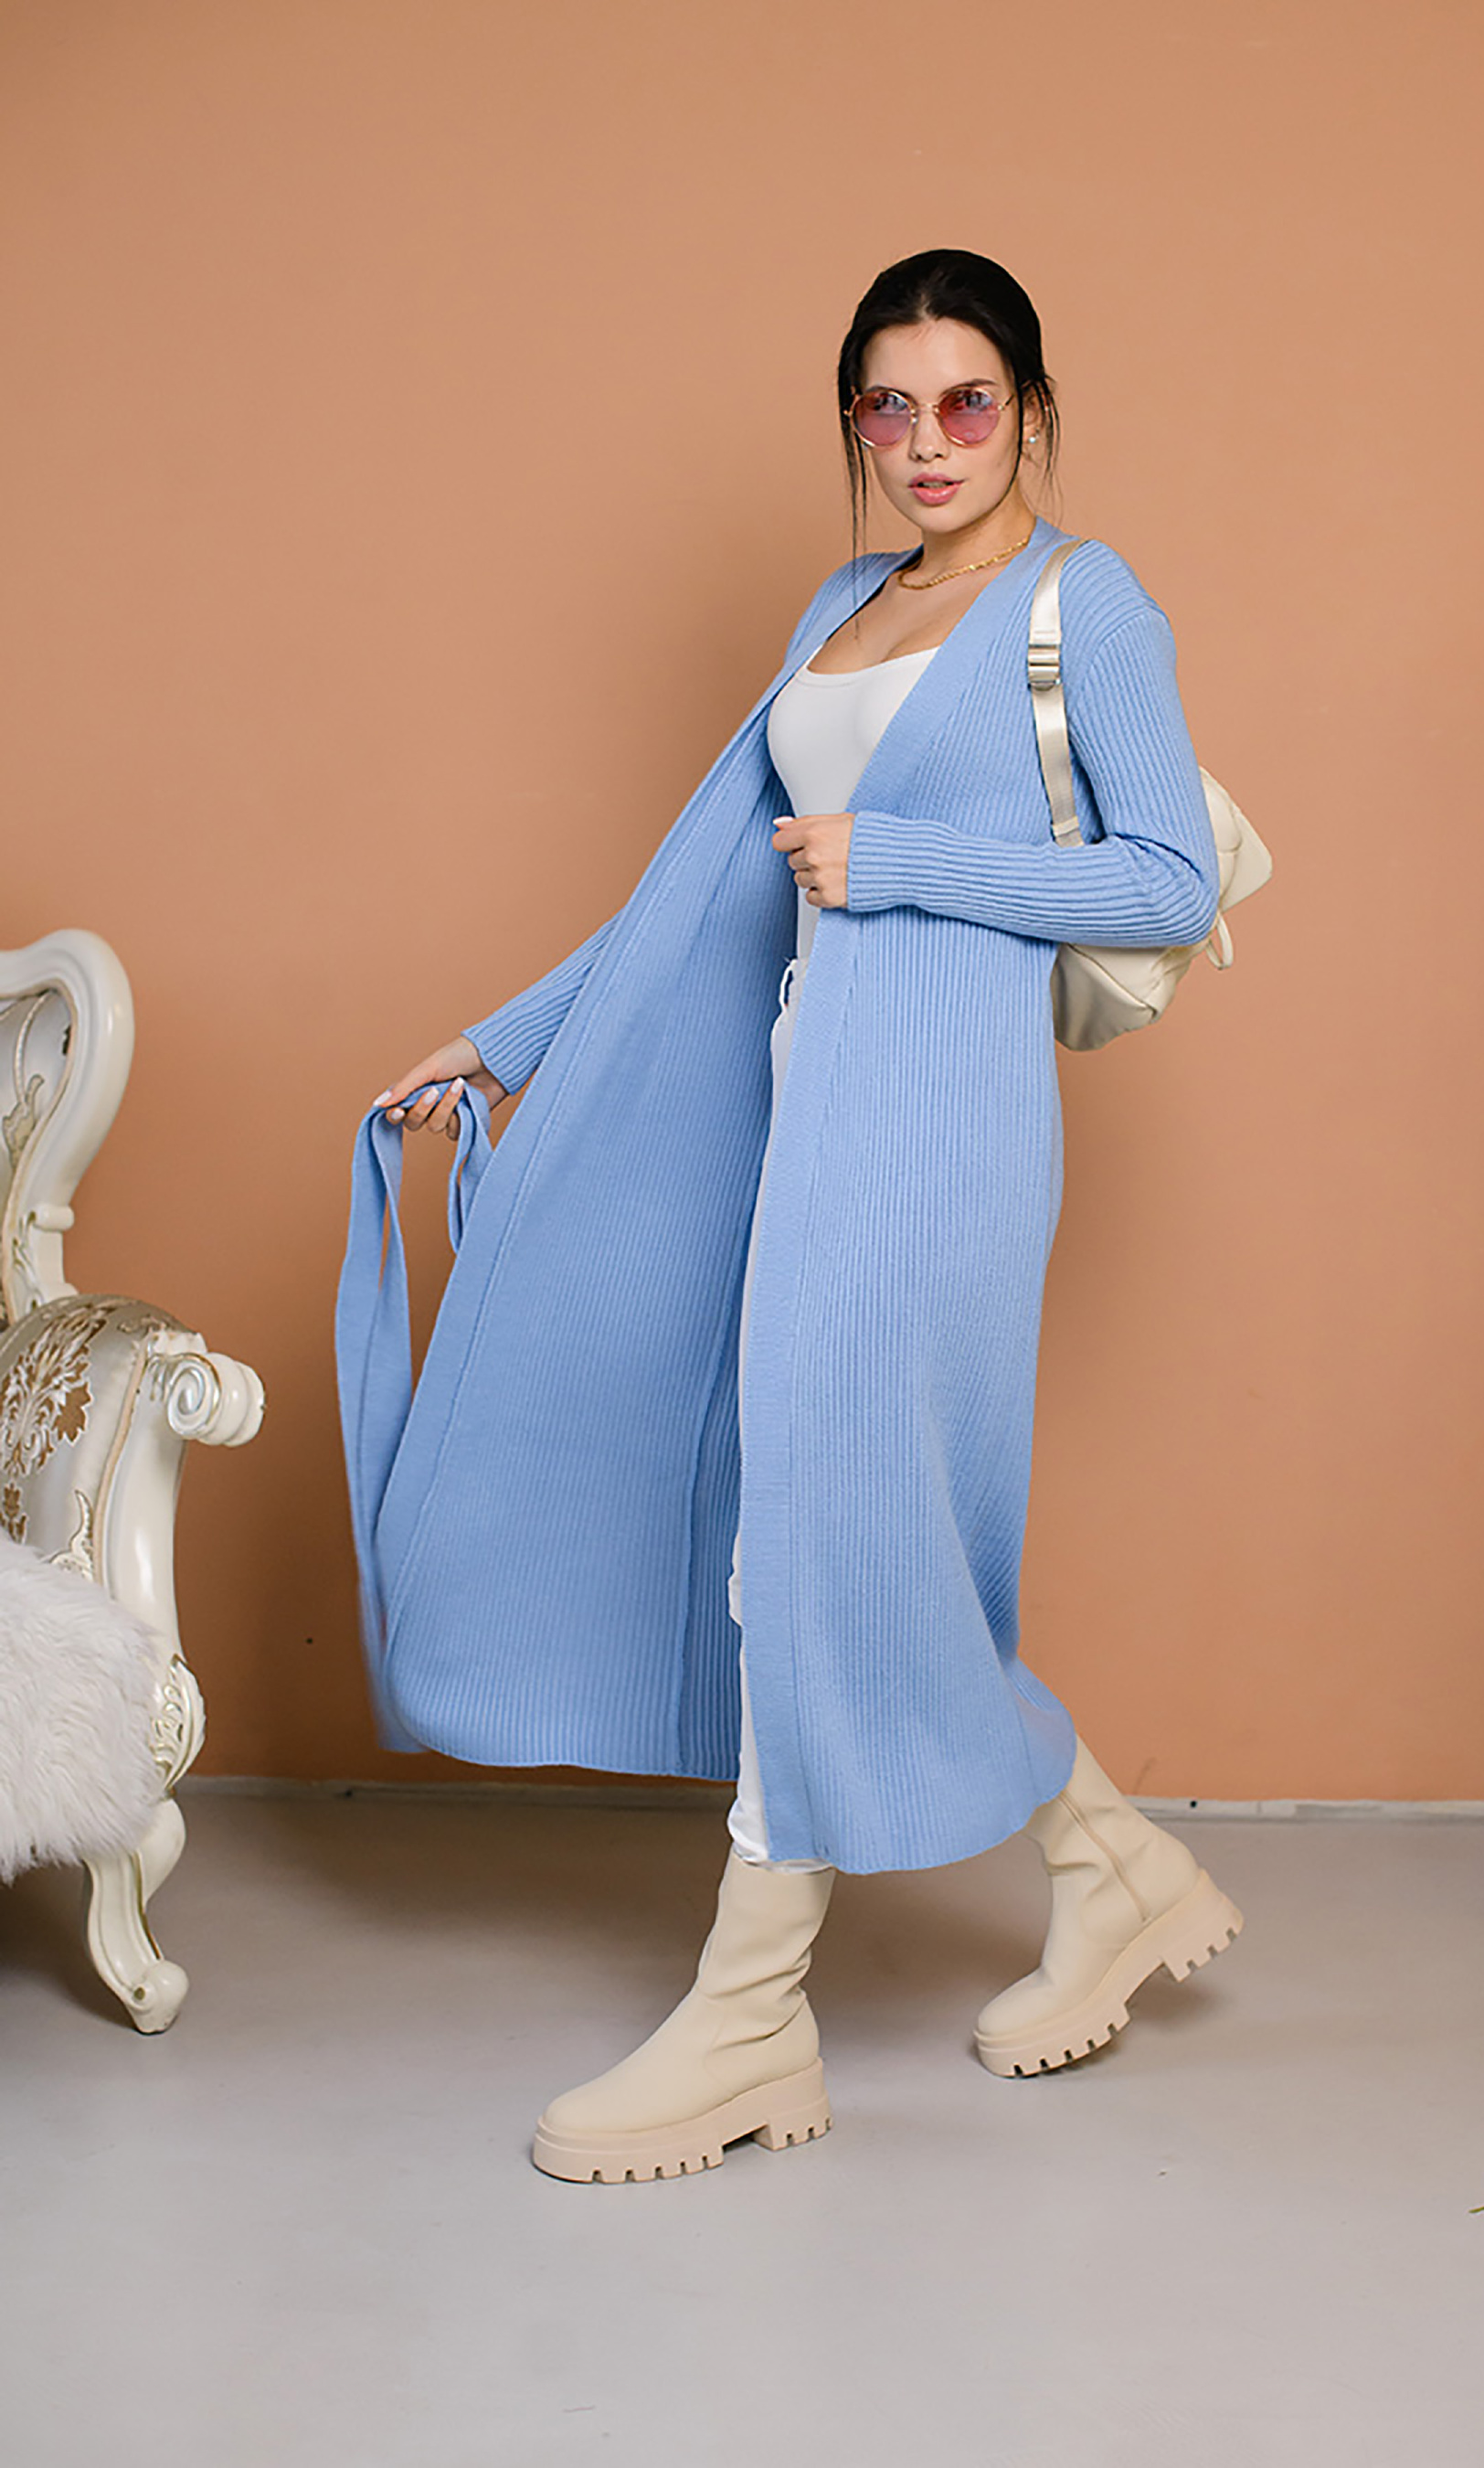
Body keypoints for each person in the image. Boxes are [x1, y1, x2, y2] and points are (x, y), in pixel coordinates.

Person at [360, 248, 1243, 2186]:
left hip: (939, 1136)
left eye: (967, 402)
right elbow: (705, 886)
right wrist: (508, 1042)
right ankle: (1108, 1867)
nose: (928, 443)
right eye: (887, 408)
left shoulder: (1085, 604)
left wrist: (902, 856)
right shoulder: (840, 607)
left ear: (1030, 410)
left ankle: (749, 2013)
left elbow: (1167, 881)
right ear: (854, 425)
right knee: (852, 1526)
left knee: (819, 1525)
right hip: (796, 1120)